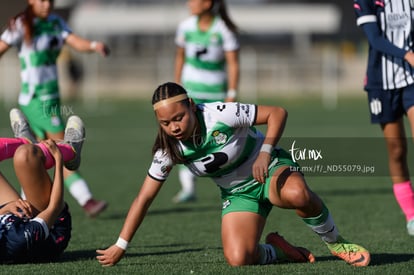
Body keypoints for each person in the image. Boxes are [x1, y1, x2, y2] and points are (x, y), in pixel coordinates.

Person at [96, 82, 370, 267]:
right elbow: (144, 198)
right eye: (165, 123)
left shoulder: (219, 113)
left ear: (191, 105)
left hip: (270, 168)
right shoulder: (168, 150)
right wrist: (122, 244)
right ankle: (278, 250)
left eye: (178, 118)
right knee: (239, 257)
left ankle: (337, 244)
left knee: (297, 194)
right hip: (237, 194)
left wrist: (264, 152)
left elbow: (277, 113)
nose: (173, 127)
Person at [0, 0, 108, 217]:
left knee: (35, 152)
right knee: (64, 149)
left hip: (51, 99)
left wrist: (94, 46)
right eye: (41, 0)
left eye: (50, 0)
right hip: (37, 100)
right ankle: (86, 199)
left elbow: (76, 42)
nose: (46, 4)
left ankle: (27, 203)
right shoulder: (21, 23)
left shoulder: (56, 22)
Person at [354, 0, 414, 235]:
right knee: (397, 150)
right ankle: (411, 214)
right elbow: (374, 39)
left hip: (411, 80)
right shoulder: (366, 1)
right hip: (382, 84)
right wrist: (406, 54)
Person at [173, 0, 240, 203]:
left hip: (216, 95)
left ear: (207, 3)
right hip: (190, 92)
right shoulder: (185, 26)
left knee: (217, 139)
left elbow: (233, 64)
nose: (189, 3)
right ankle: (188, 187)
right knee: (183, 138)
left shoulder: (223, 29)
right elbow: (180, 58)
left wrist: (232, 94)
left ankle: (233, 184)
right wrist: (176, 88)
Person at [0, 108, 85, 263]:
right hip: (52, 225)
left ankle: (25, 141)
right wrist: (59, 161)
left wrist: (6, 208)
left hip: (19, 220)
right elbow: (56, 207)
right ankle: (71, 152)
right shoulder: (18, 239)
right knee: (24, 155)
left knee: (25, 151)